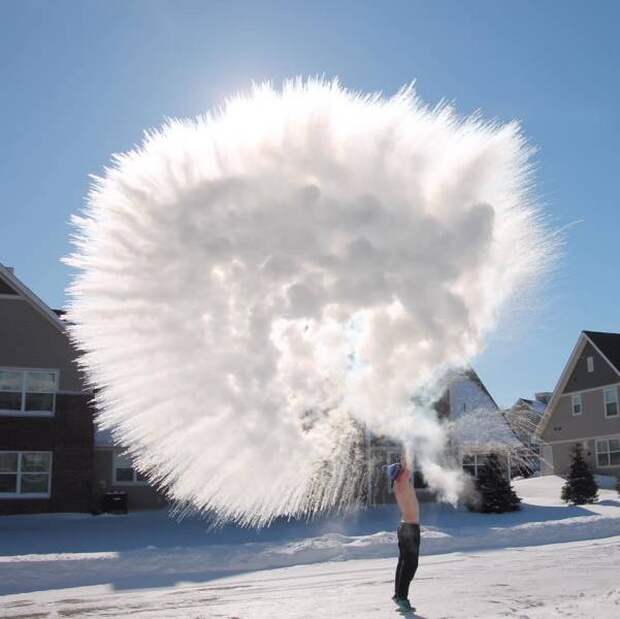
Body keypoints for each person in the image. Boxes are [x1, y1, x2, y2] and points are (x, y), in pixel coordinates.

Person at [387, 458, 420, 613]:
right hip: (410, 529)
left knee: (403, 563)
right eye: (401, 469)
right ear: (399, 474)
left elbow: (406, 468)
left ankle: (398, 595)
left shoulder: (398, 484)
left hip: (405, 528)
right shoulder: (402, 482)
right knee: (410, 565)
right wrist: (408, 448)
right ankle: (402, 598)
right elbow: (408, 465)